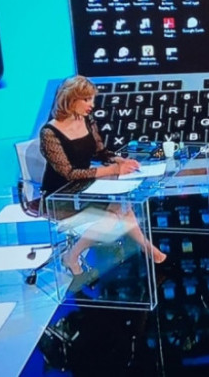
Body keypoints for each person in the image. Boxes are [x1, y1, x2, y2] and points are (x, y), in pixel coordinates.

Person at [40, 75, 167, 285]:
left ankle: (147, 248)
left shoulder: (86, 120)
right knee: (114, 217)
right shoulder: (49, 133)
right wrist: (112, 170)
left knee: (123, 206)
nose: (92, 105)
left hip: (85, 188)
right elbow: (69, 173)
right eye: (86, 99)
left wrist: (119, 160)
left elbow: (100, 151)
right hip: (60, 196)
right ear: (70, 99)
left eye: (92, 99)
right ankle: (72, 256)